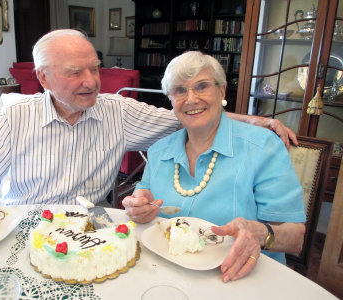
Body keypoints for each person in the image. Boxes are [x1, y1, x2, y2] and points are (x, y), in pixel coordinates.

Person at [0, 29, 297, 216]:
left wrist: (255, 120)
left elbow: (187, 114)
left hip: (91, 232)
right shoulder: (12, 118)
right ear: (45, 78)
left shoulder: (118, 111)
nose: (91, 81)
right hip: (26, 230)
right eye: (75, 72)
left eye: (95, 68)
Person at [122, 51, 306, 283]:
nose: (191, 99)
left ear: (221, 91)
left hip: (238, 276)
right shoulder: (159, 152)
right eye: (180, 90)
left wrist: (261, 234)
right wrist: (138, 207)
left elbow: (296, 237)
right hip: (165, 274)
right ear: (171, 99)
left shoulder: (262, 148)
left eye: (201, 86)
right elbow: (143, 198)